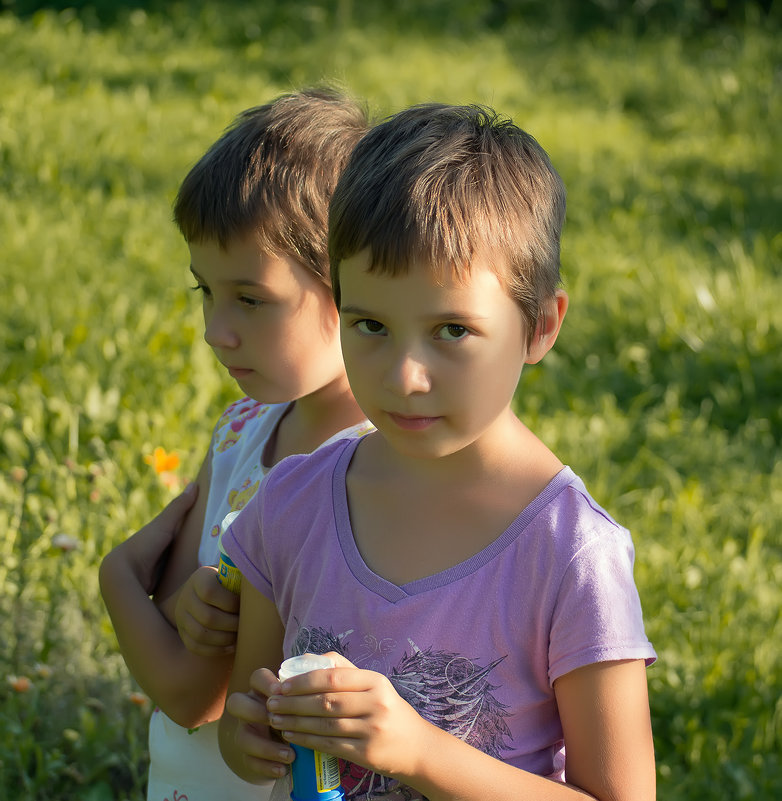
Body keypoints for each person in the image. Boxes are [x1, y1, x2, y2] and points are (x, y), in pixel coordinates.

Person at [217, 103, 657, 801]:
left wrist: (421, 752)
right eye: (371, 324)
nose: (403, 376)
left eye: (451, 330)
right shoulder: (293, 502)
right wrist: (251, 735)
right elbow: (244, 724)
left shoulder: (569, 552)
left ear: (539, 327)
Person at [99, 88, 373, 801]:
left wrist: (117, 577)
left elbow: (191, 691)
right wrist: (172, 603)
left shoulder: (372, 471)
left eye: (250, 299)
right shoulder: (244, 428)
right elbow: (175, 612)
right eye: (205, 292)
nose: (216, 330)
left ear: (354, 287)